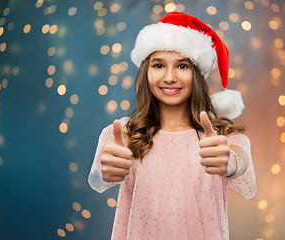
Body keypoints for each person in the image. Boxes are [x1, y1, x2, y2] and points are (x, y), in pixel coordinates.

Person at [88, 12, 256, 240]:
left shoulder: (222, 137)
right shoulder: (124, 134)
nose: (169, 77)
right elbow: (97, 179)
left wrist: (231, 162)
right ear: (145, 72)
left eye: (182, 66)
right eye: (158, 65)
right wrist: (105, 167)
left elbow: (242, 169)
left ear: (197, 74)